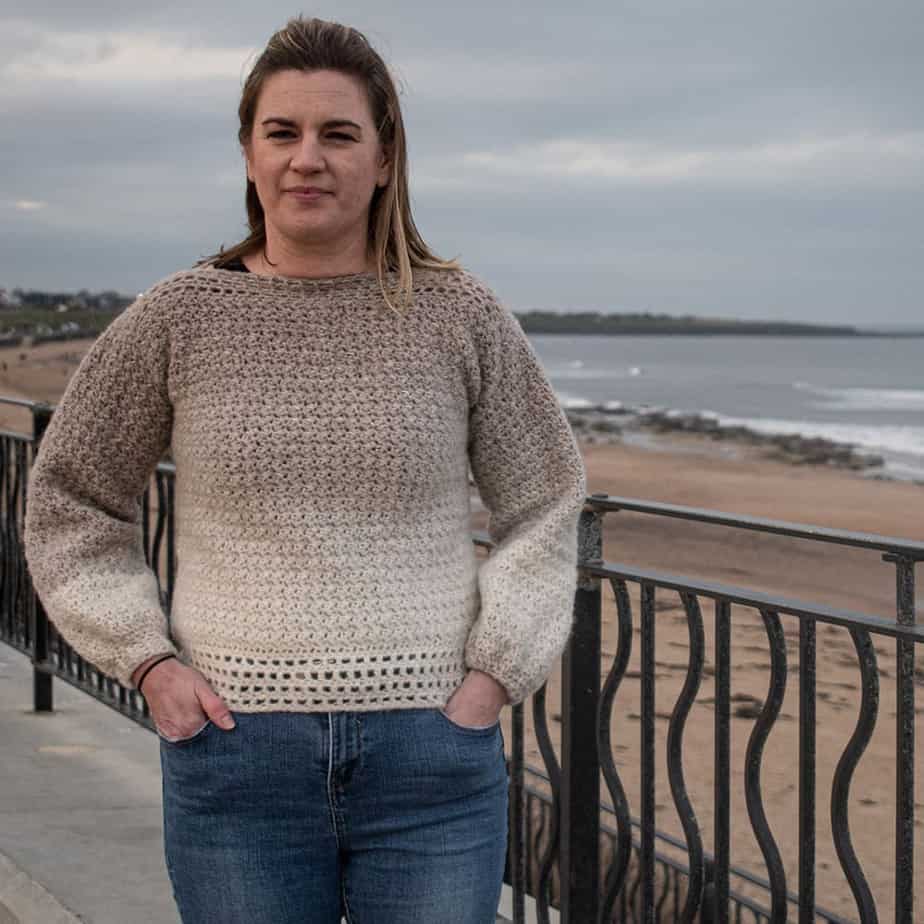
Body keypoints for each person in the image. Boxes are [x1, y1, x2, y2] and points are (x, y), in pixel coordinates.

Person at [23, 15, 587, 924]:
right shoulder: (179, 318)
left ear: (385, 157)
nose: (307, 158)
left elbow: (548, 499)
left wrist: (493, 678)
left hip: (431, 758)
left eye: (338, 134)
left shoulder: (459, 315)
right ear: (248, 155)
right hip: (234, 754)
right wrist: (148, 661)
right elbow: (71, 502)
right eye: (281, 133)